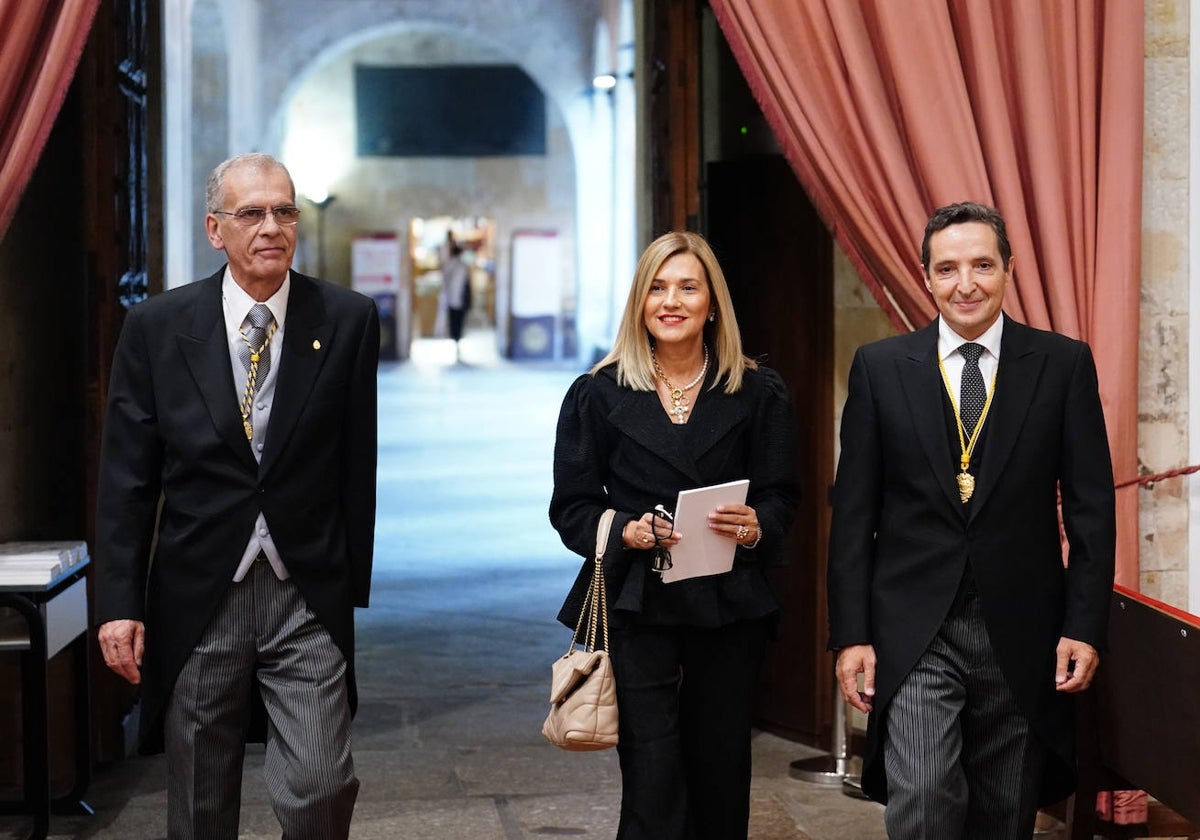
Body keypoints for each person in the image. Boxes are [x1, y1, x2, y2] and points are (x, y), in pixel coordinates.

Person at [93, 152, 379, 839]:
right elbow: (127, 478)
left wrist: (348, 584)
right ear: (215, 229)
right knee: (198, 802)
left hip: (303, 590)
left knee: (320, 786)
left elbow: (356, 464)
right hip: (199, 592)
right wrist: (120, 604)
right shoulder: (158, 328)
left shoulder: (346, 318)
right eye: (252, 213)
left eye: (285, 211)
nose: (272, 227)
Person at [827, 201, 1116, 838]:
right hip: (913, 628)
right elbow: (853, 515)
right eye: (948, 268)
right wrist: (851, 634)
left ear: (1008, 269)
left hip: (1023, 629)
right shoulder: (881, 368)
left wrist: (1084, 626)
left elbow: (1093, 508)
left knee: (1003, 815)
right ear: (926, 276)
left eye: (982, 265)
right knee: (924, 798)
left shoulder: (1062, 365)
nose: (966, 284)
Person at [549, 230, 799, 839]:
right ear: (639, 302)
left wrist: (757, 524)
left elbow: (781, 496)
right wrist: (625, 532)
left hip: (728, 602)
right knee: (652, 772)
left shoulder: (756, 389)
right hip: (638, 603)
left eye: (688, 287)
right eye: (657, 287)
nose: (672, 300)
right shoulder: (598, 393)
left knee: (720, 768)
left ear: (712, 303)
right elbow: (572, 508)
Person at [441, 241, 471, 360]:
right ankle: (457, 342)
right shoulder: (462, 266)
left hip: (450, 299)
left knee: (453, 321)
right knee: (459, 322)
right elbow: (466, 284)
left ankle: (456, 341)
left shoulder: (448, 265)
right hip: (459, 299)